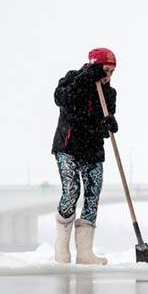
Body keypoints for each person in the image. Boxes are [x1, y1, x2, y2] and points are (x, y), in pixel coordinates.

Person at [51, 48, 117, 265]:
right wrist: (84, 79)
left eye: (112, 71)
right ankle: (61, 251)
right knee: (71, 191)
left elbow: (104, 128)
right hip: (68, 146)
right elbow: (61, 99)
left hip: (92, 150)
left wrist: (108, 125)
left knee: (92, 195)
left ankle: (85, 253)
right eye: (105, 70)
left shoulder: (109, 93)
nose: (108, 75)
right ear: (94, 66)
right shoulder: (71, 79)